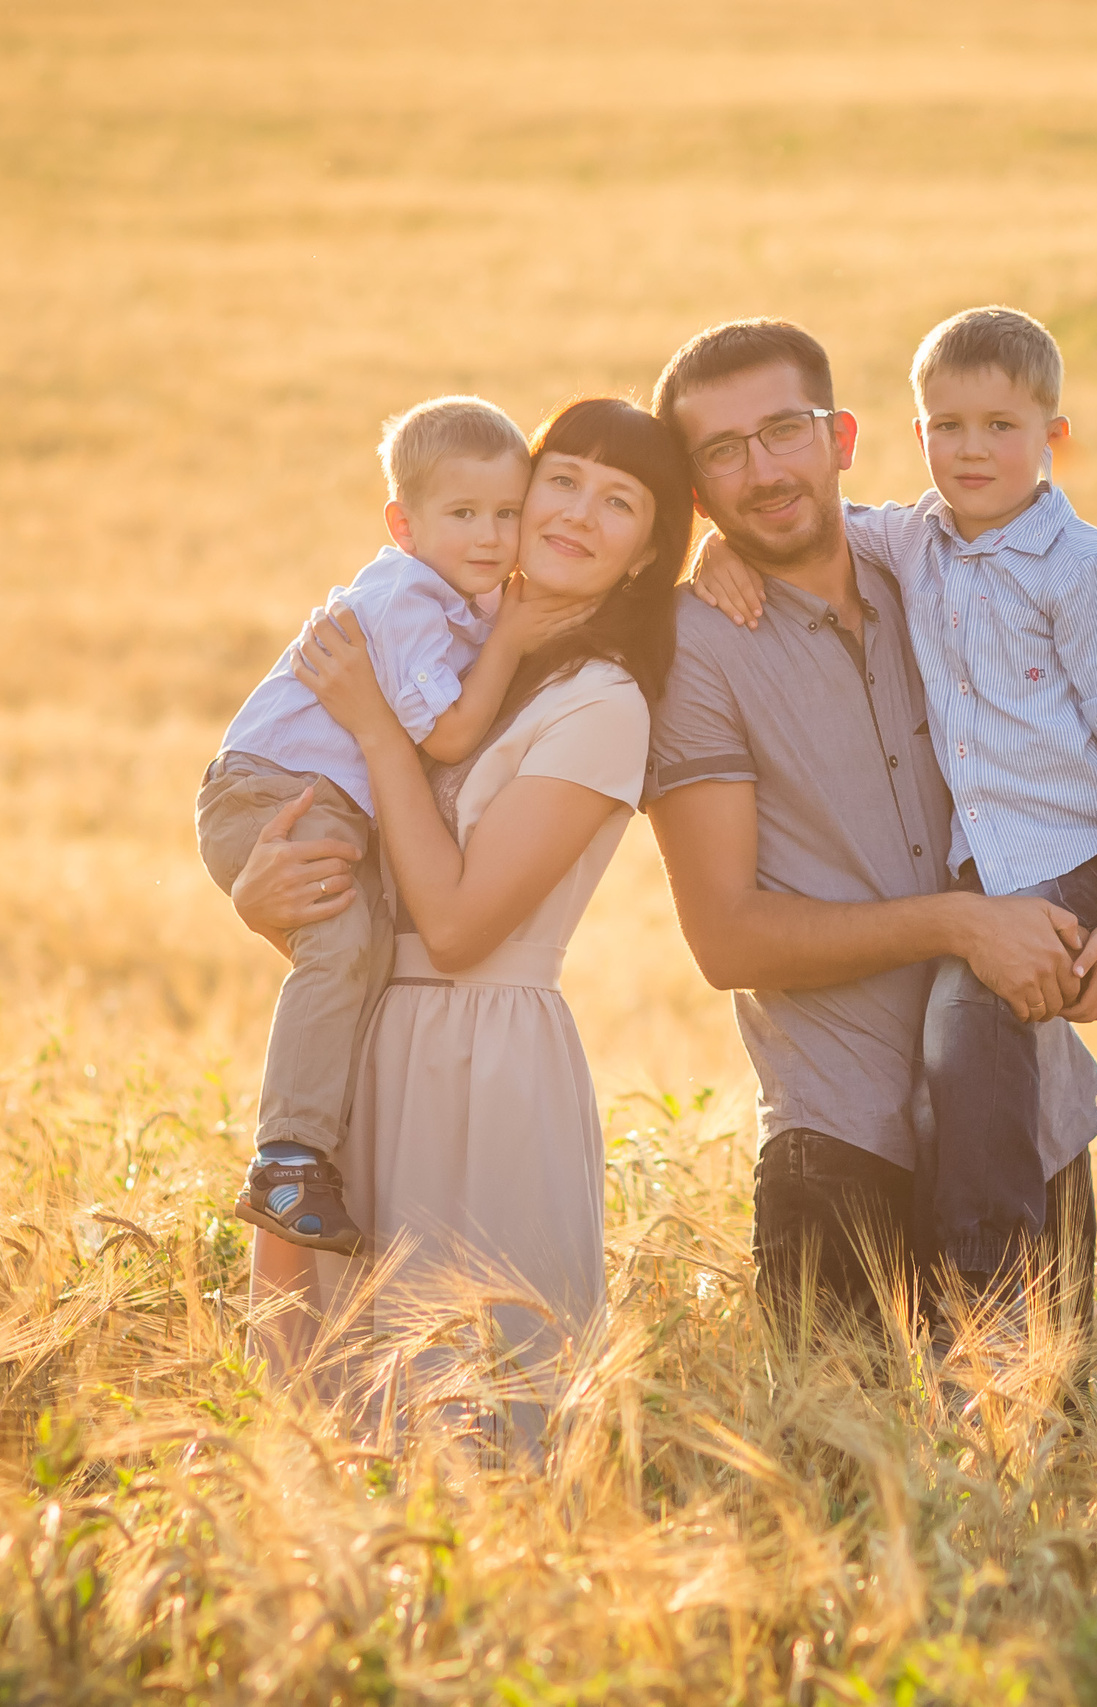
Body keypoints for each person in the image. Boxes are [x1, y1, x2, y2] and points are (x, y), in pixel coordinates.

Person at [687, 307, 1097, 1301]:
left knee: (967, 1016)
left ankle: (988, 1278)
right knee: (846, 1454)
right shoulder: (856, 570)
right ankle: (987, 1275)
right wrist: (715, 552)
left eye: (785, 432)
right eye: (947, 427)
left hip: (1058, 971)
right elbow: (726, 941)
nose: (971, 450)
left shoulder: (1018, 565)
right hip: (868, 1086)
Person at [225, 398, 691, 1405]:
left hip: (480, 1064)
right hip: (367, 1048)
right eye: (559, 481)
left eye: (618, 503)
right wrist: (264, 901)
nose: (573, 514)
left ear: (650, 555)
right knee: (331, 1403)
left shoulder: (601, 704)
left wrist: (377, 730)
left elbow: (458, 924)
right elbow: (359, 879)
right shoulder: (462, 648)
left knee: (475, 1396)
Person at [197, 395, 577, 1257]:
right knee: (341, 949)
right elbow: (444, 733)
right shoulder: (407, 599)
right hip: (273, 795)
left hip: (318, 796)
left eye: (508, 514)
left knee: (362, 952)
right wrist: (513, 643)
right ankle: (286, 1161)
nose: (489, 535)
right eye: (463, 514)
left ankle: (318, 1152)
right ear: (404, 524)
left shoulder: (464, 597)